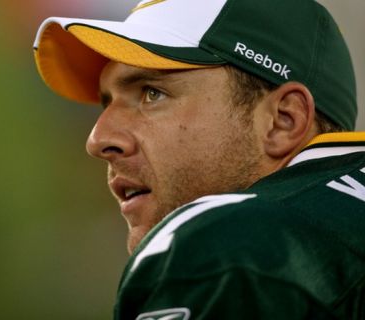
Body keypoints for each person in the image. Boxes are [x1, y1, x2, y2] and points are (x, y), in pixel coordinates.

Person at [33, 0, 365, 318]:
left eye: (152, 93)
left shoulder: (226, 249)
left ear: (282, 121)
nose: (97, 140)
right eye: (106, 103)